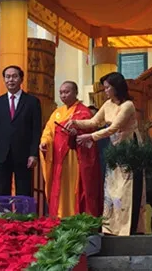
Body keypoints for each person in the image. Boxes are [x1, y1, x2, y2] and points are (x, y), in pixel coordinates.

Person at [66, 72, 145, 236]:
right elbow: (94, 122)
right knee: (112, 190)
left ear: (117, 88)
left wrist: (91, 137)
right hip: (114, 150)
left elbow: (113, 128)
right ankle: (111, 228)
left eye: (108, 87)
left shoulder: (127, 105)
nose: (105, 90)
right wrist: (75, 122)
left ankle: (129, 228)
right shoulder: (108, 104)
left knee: (126, 191)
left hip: (129, 150)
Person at [39, 81, 102, 218]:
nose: (63, 95)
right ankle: (60, 217)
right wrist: (44, 142)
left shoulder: (83, 111)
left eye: (67, 92)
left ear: (75, 92)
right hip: (58, 159)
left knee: (75, 188)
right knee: (60, 189)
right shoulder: (57, 112)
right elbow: (48, 131)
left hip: (74, 158)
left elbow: (90, 131)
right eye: (61, 92)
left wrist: (76, 132)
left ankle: (75, 217)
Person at [0, 65, 42, 197]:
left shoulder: (32, 102)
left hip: (24, 154)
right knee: (1, 190)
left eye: (14, 76)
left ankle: (24, 217)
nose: (11, 80)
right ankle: (3, 217)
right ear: (4, 80)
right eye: (7, 77)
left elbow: (36, 130)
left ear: (21, 79)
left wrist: (33, 154)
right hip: (1, 154)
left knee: (24, 190)